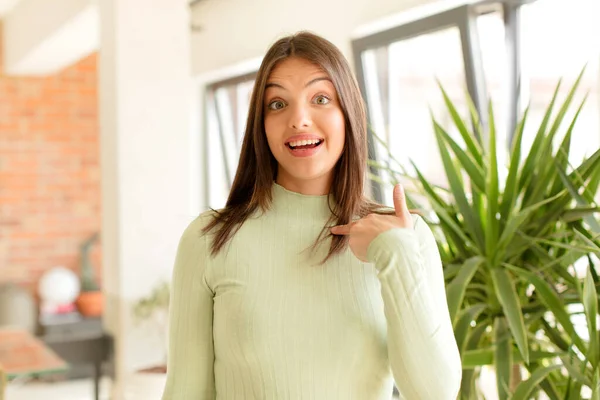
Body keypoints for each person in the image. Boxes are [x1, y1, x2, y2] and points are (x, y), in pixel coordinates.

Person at [161, 31, 462, 400]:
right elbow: (184, 394)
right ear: (261, 125)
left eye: (320, 98)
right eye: (277, 104)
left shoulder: (404, 234)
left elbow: (435, 393)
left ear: (348, 111)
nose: (299, 119)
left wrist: (395, 252)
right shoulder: (208, 239)